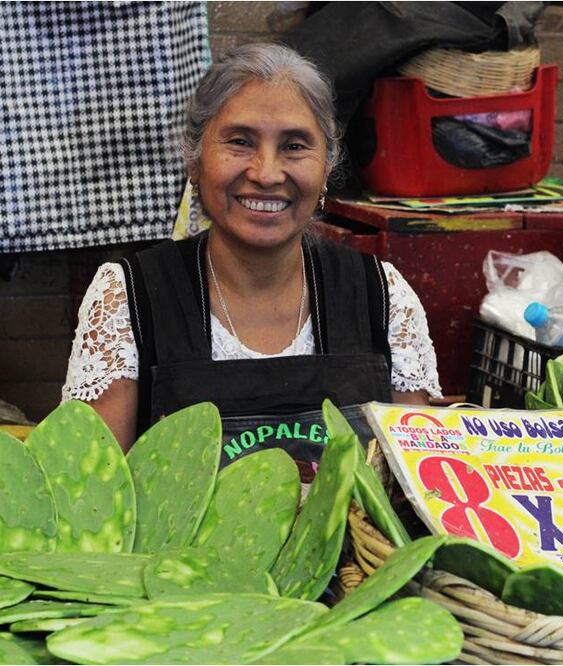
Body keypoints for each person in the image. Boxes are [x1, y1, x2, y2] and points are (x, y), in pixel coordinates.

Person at [62, 43, 441, 474]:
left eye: (295, 146)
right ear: (195, 159)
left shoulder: (380, 295)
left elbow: (416, 485)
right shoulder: (129, 298)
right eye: (240, 142)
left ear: (325, 169)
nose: (265, 173)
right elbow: (93, 492)